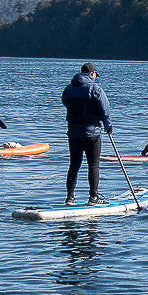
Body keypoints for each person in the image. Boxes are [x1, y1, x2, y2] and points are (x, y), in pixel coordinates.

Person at [61, 62, 113, 206]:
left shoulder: (69, 88)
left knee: (74, 165)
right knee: (93, 165)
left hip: (73, 133)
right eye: (95, 74)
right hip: (92, 132)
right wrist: (108, 126)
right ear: (92, 74)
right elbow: (105, 110)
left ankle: (70, 198)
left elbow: (65, 103)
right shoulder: (95, 88)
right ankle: (93, 198)